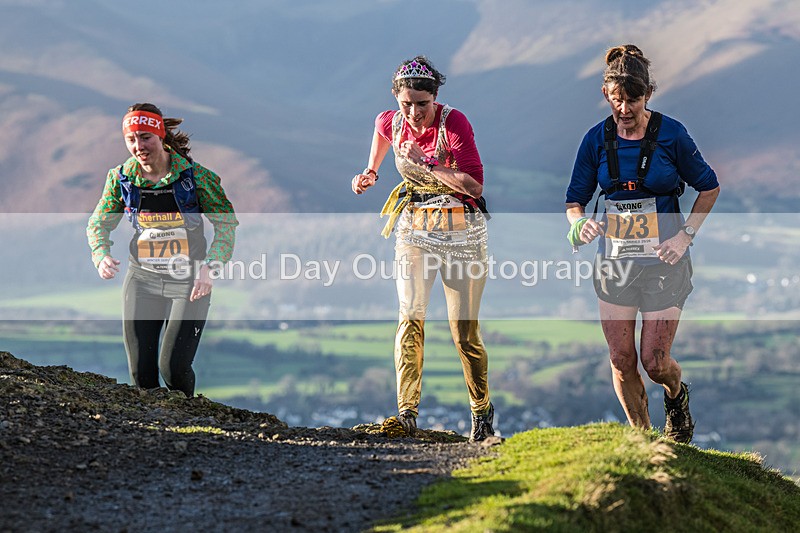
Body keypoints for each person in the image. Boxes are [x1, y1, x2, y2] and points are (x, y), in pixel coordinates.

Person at [565, 45, 720, 443]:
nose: (624, 108)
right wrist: (579, 224)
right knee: (621, 359)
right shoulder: (594, 139)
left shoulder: (672, 134)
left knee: (654, 361)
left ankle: (676, 395)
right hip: (615, 261)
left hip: (665, 261)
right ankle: (645, 442)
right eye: (617, 99)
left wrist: (686, 236)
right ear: (606, 95)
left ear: (648, 94)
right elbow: (574, 202)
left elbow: (709, 187)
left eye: (632, 100)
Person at [351, 56, 496, 441]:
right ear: (396, 99)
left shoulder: (455, 123)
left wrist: (428, 164)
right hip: (414, 228)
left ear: (435, 97)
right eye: (406, 103)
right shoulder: (390, 121)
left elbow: (474, 186)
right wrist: (369, 173)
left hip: (463, 233)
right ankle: (406, 412)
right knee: (410, 315)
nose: (414, 112)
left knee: (463, 331)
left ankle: (481, 412)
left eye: (422, 104)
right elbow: (381, 138)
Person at [87, 103, 238, 397]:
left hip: (189, 281)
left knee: (173, 368)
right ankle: (158, 435)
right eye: (131, 139)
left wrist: (211, 266)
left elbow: (226, 225)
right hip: (142, 279)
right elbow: (98, 224)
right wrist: (100, 254)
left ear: (160, 136)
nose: (138, 146)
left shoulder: (195, 177)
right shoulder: (121, 178)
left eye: (145, 137)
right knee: (141, 373)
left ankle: (193, 427)